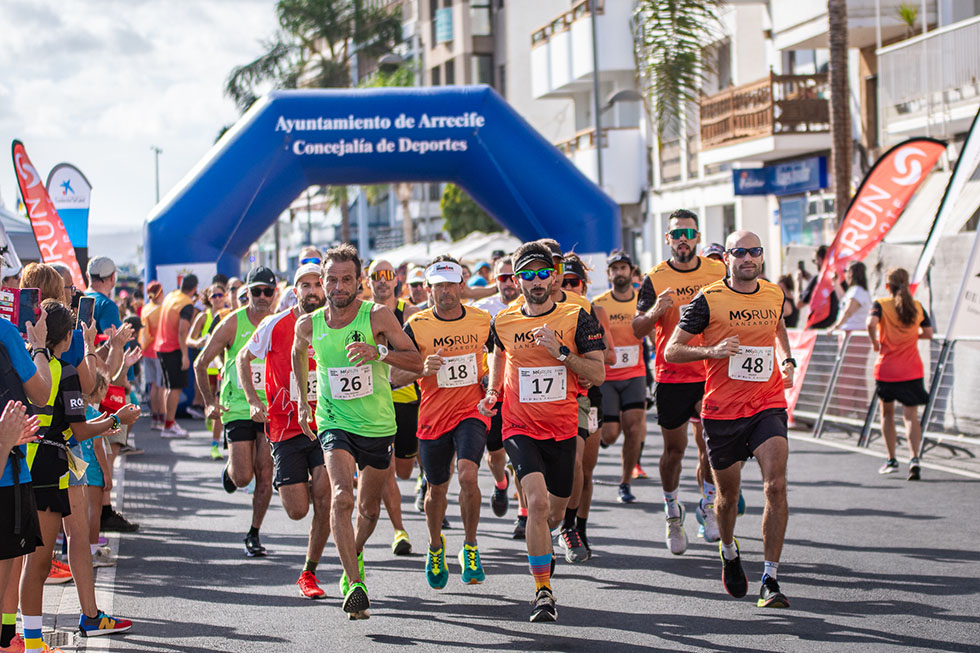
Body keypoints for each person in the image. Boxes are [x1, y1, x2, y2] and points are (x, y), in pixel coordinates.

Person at [664, 230, 795, 610]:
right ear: (727, 259)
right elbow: (673, 350)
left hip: (767, 402)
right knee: (727, 497)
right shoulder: (708, 300)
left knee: (776, 485)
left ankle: (770, 578)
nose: (748, 258)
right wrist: (714, 350)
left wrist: (786, 359)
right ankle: (728, 548)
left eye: (755, 252)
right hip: (722, 410)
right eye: (740, 252)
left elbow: (778, 326)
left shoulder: (774, 293)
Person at [292, 244, 422, 619]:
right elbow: (298, 353)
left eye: (346, 279)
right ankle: (354, 582)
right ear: (323, 281)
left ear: (358, 281)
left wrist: (378, 353)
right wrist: (303, 400)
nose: (337, 286)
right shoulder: (309, 324)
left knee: (368, 509)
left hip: (379, 424)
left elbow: (414, 360)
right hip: (334, 421)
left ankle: (356, 550)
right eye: (330, 279)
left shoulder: (378, 316)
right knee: (341, 497)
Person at [478, 241, 605, 622]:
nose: (535, 281)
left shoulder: (577, 316)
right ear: (517, 280)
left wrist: (561, 353)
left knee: (554, 512)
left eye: (541, 273)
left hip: (564, 426)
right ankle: (543, 592)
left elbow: (598, 373)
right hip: (520, 425)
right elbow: (498, 351)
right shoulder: (503, 320)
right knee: (535, 504)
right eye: (526, 275)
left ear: (552, 276)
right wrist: (493, 391)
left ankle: (548, 545)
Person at [20, 300, 139, 651]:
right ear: (69, 335)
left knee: (32, 559)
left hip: (28, 460)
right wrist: (118, 420)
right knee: (38, 562)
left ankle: (32, 637)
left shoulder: (25, 363)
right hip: (48, 466)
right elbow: (79, 430)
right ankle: (32, 641)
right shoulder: (63, 370)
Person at [631, 209, 727, 554]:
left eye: (688, 233)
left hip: (710, 373)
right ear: (668, 239)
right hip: (672, 376)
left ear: (698, 237)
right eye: (676, 234)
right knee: (675, 451)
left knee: (710, 446)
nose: (682, 239)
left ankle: (708, 506)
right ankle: (673, 511)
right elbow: (637, 328)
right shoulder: (655, 278)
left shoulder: (717, 271)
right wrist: (656, 311)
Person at [393, 257, 492, 588]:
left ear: (462, 285)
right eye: (438, 286)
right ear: (428, 289)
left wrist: (491, 384)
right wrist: (421, 369)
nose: (445, 291)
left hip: (471, 411)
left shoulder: (481, 320)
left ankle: (471, 545)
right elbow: (393, 376)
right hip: (433, 416)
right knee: (436, 489)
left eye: (450, 284)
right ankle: (436, 546)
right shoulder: (416, 325)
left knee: (468, 474)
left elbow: (499, 358)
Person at [238, 263, 332, 598]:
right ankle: (302, 482)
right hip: (285, 427)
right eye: (304, 285)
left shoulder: (335, 322)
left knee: (326, 500)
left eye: (317, 284)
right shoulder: (275, 324)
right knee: (297, 510)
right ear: (295, 291)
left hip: (326, 426)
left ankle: (309, 572)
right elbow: (242, 360)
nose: (311, 291)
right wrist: (252, 400)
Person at [194, 267, 277, 557]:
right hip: (238, 406)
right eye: (257, 291)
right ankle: (231, 473)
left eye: (268, 291)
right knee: (244, 476)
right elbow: (200, 363)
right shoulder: (232, 323)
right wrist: (209, 401)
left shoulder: (281, 323)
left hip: (270, 408)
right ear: (247, 293)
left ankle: (254, 532)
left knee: (265, 473)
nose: (262, 297)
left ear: (275, 292)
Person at [554, 254, 614, 564]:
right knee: (573, 462)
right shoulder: (545, 311)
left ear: (584, 285)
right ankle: (563, 524)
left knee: (586, 470)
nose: (568, 286)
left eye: (574, 282)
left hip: (589, 397)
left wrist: (592, 365)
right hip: (559, 397)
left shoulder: (593, 310)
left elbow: (612, 356)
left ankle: (579, 526)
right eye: (563, 282)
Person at [0, 303, 51, 653]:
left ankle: (7, 638)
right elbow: (42, 393)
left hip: (11, 463)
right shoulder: (5, 331)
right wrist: (40, 348)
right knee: (6, 571)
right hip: (8, 471)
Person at [593, 251, 648, 548]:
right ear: (609, 273)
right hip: (609, 378)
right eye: (614, 269)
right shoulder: (600, 303)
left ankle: (625, 482)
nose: (619, 273)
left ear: (631, 270)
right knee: (612, 434)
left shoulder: (642, 300)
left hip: (636, 374)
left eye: (623, 267)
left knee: (634, 428)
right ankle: (603, 437)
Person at [365, 259, 419, 557]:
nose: (383, 281)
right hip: (373, 402)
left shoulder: (409, 313)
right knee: (384, 470)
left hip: (406, 399)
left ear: (397, 278)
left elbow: (420, 361)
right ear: (368, 280)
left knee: (404, 470)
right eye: (377, 276)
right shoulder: (361, 314)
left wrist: (397, 378)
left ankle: (424, 479)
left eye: (387, 275)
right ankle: (399, 530)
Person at [867, 267, 933, 480]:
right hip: (912, 369)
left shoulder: (882, 304)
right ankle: (914, 458)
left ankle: (892, 459)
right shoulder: (917, 306)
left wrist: (875, 342)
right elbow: (929, 333)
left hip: (887, 369)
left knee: (887, 414)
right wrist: (912, 337)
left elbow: (870, 323)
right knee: (910, 416)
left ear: (888, 286)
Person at [472, 255, 520, 516]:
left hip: (522, 392)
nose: (508, 283)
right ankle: (501, 484)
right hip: (492, 392)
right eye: (502, 278)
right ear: (495, 281)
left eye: (512, 277)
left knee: (524, 456)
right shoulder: (481, 309)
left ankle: (524, 516)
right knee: (496, 454)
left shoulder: (531, 307)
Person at [155, 274, 199, 439]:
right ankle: (169, 424)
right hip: (174, 348)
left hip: (162, 346)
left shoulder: (172, 295)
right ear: (194, 288)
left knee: (169, 387)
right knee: (174, 388)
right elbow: (182, 330)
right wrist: (185, 355)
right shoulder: (186, 303)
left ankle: (168, 422)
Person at [187, 283, 227, 459]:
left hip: (220, 365)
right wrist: (199, 343)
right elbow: (189, 339)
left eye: (220, 295)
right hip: (204, 366)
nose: (217, 299)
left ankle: (214, 444)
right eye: (214, 296)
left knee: (217, 405)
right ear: (208, 299)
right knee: (208, 402)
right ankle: (208, 415)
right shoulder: (203, 317)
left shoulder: (228, 314)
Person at [139, 282, 166, 430]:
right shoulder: (161, 310)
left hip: (146, 350)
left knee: (153, 386)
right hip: (159, 351)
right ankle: (161, 417)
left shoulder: (145, 309)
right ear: (160, 293)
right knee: (160, 387)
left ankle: (155, 417)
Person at [796, 245, 840, 329]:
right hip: (833, 330)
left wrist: (799, 282)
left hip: (816, 329)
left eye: (814, 260)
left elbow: (799, 304)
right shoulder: (838, 279)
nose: (814, 263)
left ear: (819, 260)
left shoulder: (816, 280)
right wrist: (810, 279)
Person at [84, 257, 123, 335]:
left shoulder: (77, 297)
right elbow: (112, 341)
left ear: (87, 275)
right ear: (112, 277)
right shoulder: (107, 305)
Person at [278, 246, 323, 311]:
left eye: (315, 261)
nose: (310, 264)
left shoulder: (332, 293)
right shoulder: (288, 294)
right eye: (305, 261)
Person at [832, 261, 871, 332]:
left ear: (851, 272)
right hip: (850, 334)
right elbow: (844, 302)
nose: (844, 274)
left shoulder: (857, 291)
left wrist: (835, 327)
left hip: (853, 335)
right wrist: (836, 284)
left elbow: (848, 312)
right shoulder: (855, 290)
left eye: (845, 271)